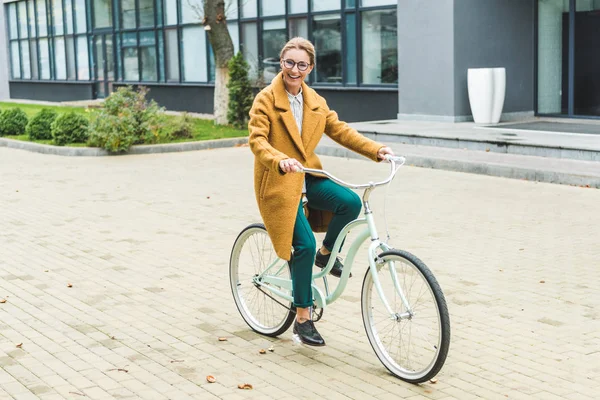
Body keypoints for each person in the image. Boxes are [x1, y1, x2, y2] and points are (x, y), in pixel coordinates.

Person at [248, 37, 394, 347]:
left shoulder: (315, 101)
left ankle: (326, 252)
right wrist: (279, 159)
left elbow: (340, 130)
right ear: (281, 63)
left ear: (310, 67)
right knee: (302, 246)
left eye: (302, 64)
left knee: (349, 202)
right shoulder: (265, 99)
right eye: (289, 63)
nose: (294, 70)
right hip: (278, 181)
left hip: (307, 176)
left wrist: (376, 150)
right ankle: (302, 318)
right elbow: (257, 141)